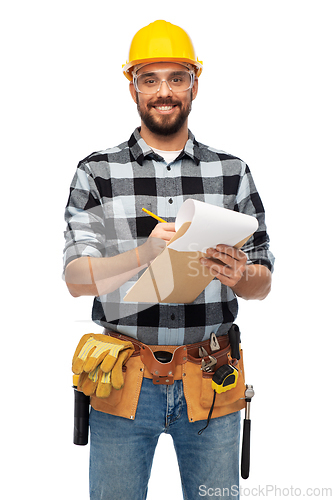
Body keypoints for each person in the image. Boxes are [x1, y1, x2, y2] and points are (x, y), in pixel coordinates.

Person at [63, 20, 274, 500]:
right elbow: (77, 279)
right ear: (132, 86)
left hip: (211, 382)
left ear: (195, 84)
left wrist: (242, 276)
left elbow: (264, 281)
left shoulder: (232, 172)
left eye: (177, 78)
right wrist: (145, 253)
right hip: (122, 384)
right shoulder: (97, 172)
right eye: (150, 79)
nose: (164, 92)